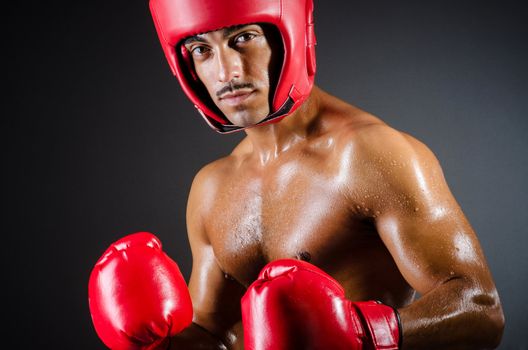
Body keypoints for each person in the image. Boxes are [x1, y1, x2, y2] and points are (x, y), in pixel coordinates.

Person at [88, 0, 505, 349]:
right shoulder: (212, 187)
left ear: (289, 35)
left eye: (242, 39)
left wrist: (362, 334)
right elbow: (214, 335)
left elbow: (481, 308)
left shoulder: (366, 154)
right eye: (201, 50)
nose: (225, 72)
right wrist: (157, 344)